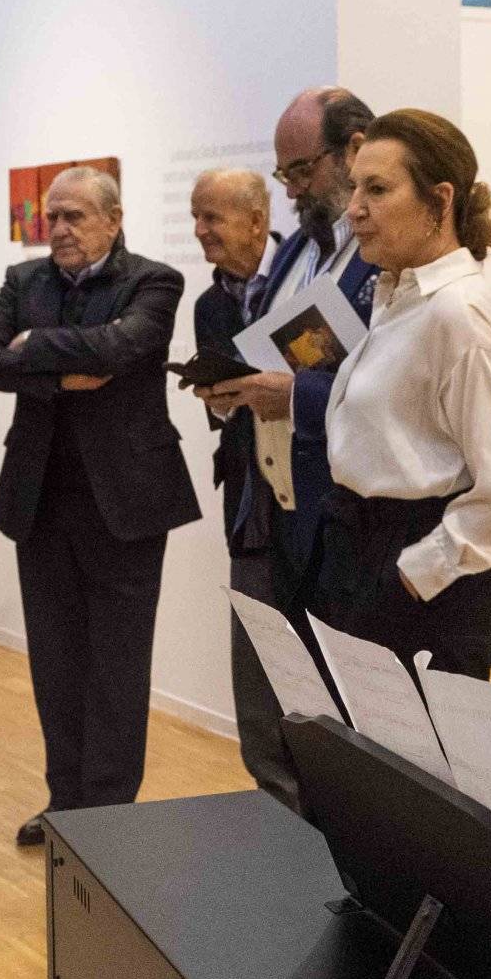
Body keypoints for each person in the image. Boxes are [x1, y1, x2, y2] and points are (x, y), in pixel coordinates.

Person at [0, 165, 198, 846]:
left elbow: (127, 347)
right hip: (40, 499)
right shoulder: (23, 279)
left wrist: (31, 349)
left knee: (119, 666)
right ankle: (65, 804)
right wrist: (65, 372)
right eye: (52, 216)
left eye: (74, 216)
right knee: (56, 662)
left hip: (126, 501)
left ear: (113, 219)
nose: (59, 228)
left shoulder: (153, 281)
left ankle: (109, 819)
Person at [307, 108, 491, 679]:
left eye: (377, 189)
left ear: (440, 200)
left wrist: (410, 576)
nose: (354, 207)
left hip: (427, 582)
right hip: (365, 552)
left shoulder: (459, 312)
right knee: (362, 760)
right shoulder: (395, 296)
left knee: (420, 767)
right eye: (355, 186)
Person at [200, 89, 379, 607]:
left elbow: (392, 392)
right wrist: (239, 387)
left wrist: (296, 396)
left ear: (355, 149)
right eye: (285, 175)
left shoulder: (387, 259)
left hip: (350, 519)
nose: (295, 190)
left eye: (303, 169)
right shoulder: (296, 250)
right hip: (277, 516)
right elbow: (271, 356)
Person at [184, 167, 300, 802]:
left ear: (257, 221)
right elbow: (221, 412)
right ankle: (283, 830)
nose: (200, 232)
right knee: (258, 697)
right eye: (196, 217)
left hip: (317, 513)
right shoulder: (210, 303)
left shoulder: (310, 283)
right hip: (251, 514)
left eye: (212, 218)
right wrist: (222, 397)